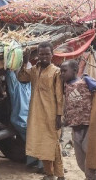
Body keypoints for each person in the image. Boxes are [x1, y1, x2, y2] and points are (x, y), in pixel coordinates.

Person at [17, 42, 64, 180]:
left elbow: (60, 96)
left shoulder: (56, 72)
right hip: (36, 114)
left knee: (53, 145)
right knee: (41, 144)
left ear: (52, 54)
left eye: (46, 54)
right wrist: (25, 62)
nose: (43, 57)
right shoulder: (34, 70)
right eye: (41, 54)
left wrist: (59, 116)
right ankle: (49, 174)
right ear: (37, 55)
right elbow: (21, 77)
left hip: (51, 113)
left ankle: (60, 175)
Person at [60, 60, 96, 178]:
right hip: (75, 128)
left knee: (89, 157)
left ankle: (92, 176)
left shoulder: (85, 82)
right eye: (61, 71)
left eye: (65, 71)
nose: (62, 73)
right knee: (80, 160)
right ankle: (90, 175)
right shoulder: (64, 85)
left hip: (88, 126)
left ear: (75, 71)